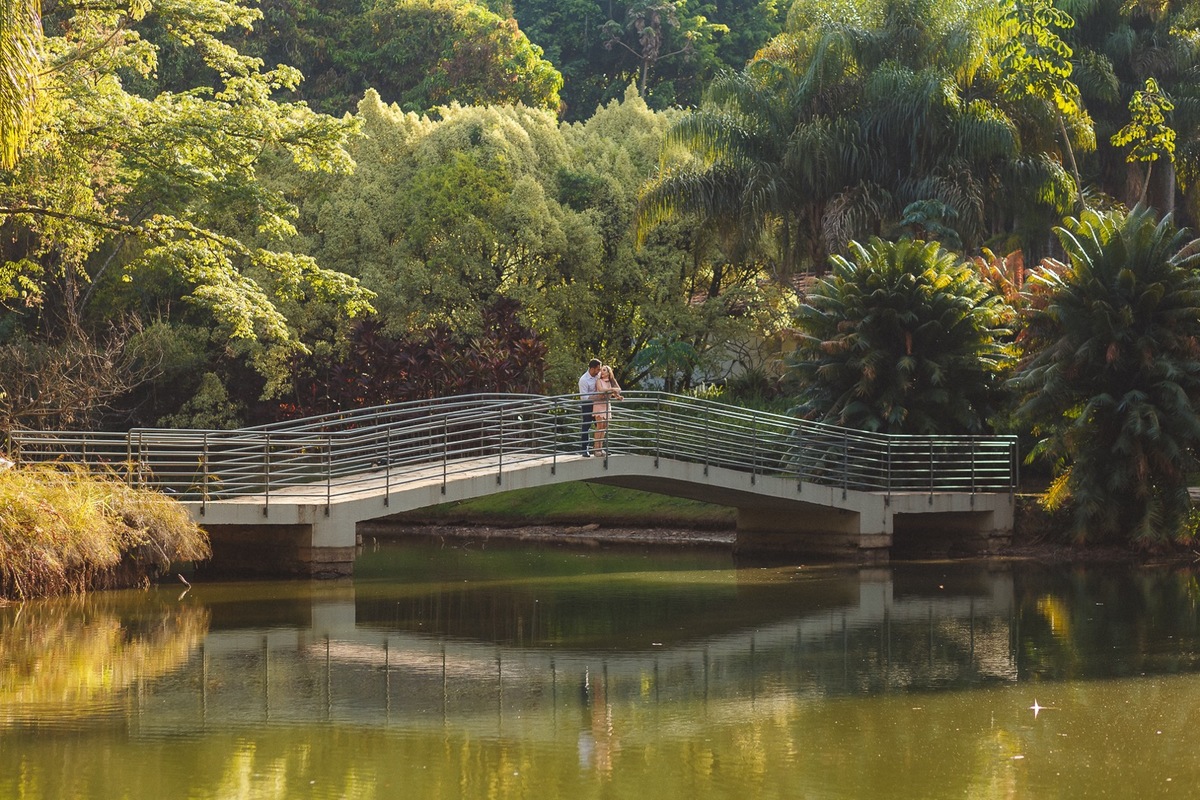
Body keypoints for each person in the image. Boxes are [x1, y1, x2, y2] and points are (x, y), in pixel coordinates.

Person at [592, 364, 622, 456]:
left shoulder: (610, 382)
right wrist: (612, 389)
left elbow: (617, 390)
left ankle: (601, 448)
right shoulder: (599, 381)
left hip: (606, 405)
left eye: (604, 370)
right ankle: (596, 448)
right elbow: (601, 390)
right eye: (602, 370)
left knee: (604, 427)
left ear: (608, 372)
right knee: (599, 426)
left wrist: (617, 396)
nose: (602, 371)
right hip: (599, 405)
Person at [578, 358, 601, 455]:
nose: (599, 371)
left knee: (600, 425)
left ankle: (599, 448)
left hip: (597, 404)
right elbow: (584, 397)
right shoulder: (583, 380)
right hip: (587, 405)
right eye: (597, 369)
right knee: (586, 425)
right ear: (592, 369)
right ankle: (584, 449)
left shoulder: (598, 376)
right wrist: (596, 396)